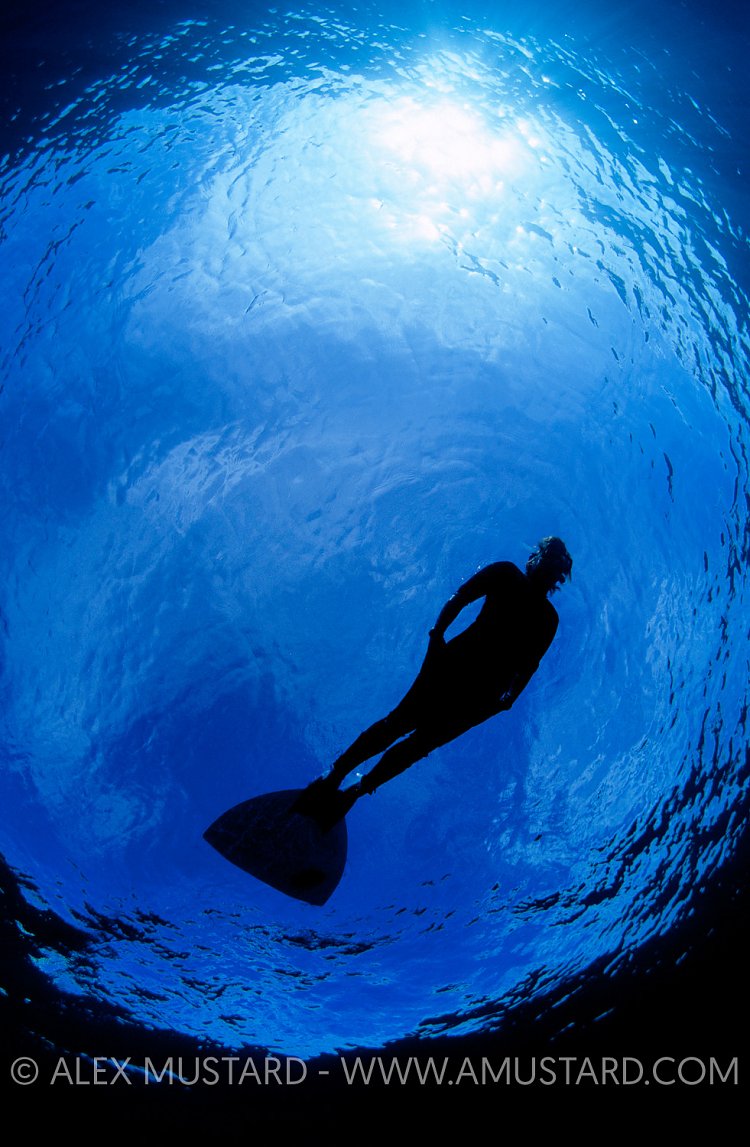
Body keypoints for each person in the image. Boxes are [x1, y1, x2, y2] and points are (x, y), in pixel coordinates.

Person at [295, 536, 572, 827]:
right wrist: (501, 703)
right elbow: (524, 674)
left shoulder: (507, 574)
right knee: (417, 745)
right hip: (480, 695)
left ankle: (335, 777)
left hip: (452, 666)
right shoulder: (547, 619)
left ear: (537, 559)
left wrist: (436, 637)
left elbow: (460, 598)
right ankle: (354, 791)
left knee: (397, 724)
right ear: (558, 576)